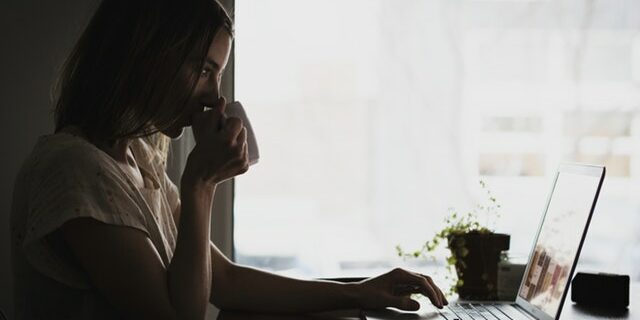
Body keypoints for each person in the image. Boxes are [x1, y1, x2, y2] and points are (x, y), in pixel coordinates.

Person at [10, 0, 447, 319]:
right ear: (146, 58)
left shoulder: (138, 164)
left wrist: (358, 293)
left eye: (217, 74)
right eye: (203, 69)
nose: (215, 96)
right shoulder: (74, 169)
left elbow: (226, 280)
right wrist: (201, 184)